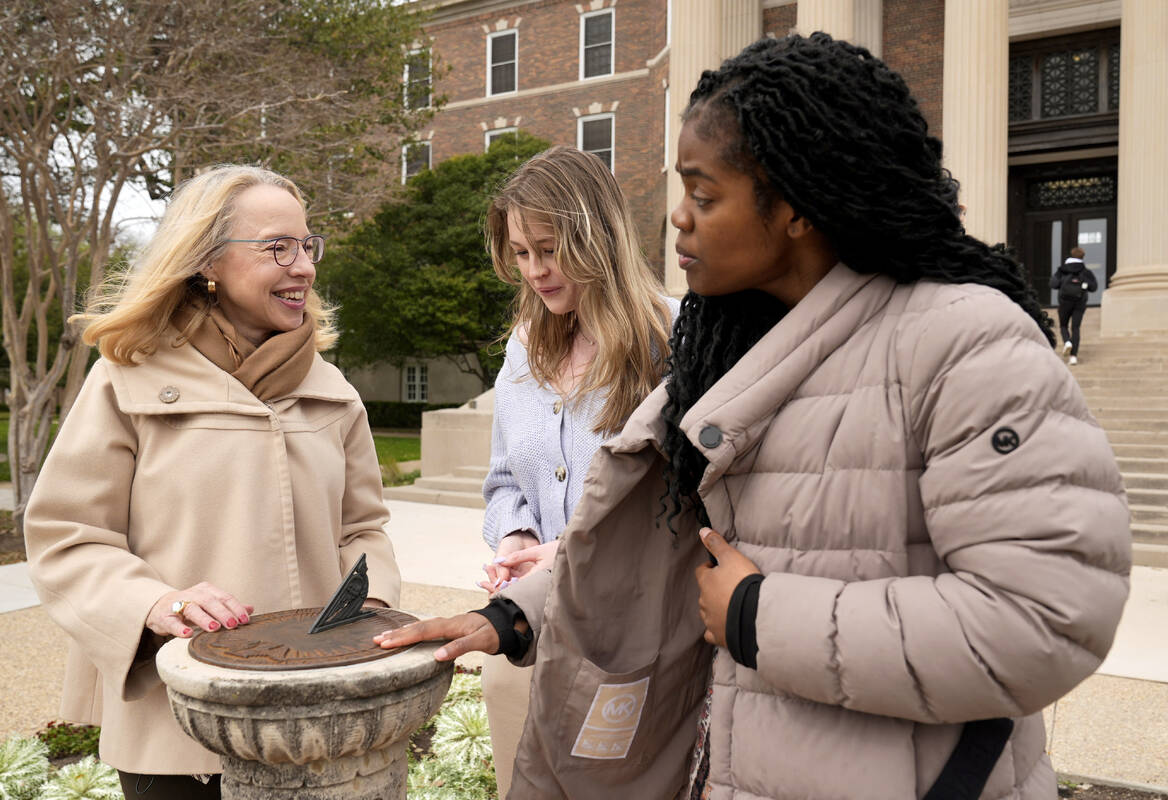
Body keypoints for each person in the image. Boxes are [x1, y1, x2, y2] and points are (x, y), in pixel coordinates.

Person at [377, 34, 1130, 800]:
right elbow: (654, 541)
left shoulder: (967, 342)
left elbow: (1047, 621)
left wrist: (756, 614)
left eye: (704, 196)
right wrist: (512, 614)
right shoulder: (724, 348)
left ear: (798, 204)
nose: (676, 220)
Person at [24, 165, 400, 800]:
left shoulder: (335, 395)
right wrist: (158, 604)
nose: (303, 266)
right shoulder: (124, 382)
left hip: (318, 723)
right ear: (208, 261)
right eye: (276, 246)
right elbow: (68, 539)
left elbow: (363, 529)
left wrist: (373, 608)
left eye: (307, 245)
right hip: (177, 725)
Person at [476, 145, 678, 797]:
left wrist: (568, 551)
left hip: (630, 642)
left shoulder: (674, 337)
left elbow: (678, 499)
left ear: (597, 234)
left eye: (548, 248)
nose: (533, 270)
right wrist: (516, 544)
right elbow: (506, 479)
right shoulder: (523, 347)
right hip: (525, 638)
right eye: (520, 252)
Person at [1051, 246, 1097, 365]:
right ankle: (1073, 357)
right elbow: (1094, 288)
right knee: (1075, 328)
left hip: (1064, 301)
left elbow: (1053, 284)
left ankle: (1067, 342)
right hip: (1079, 302)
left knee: (1063, 326)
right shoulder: (1086, 272)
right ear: (1082, 257)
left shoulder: (1062, 270)